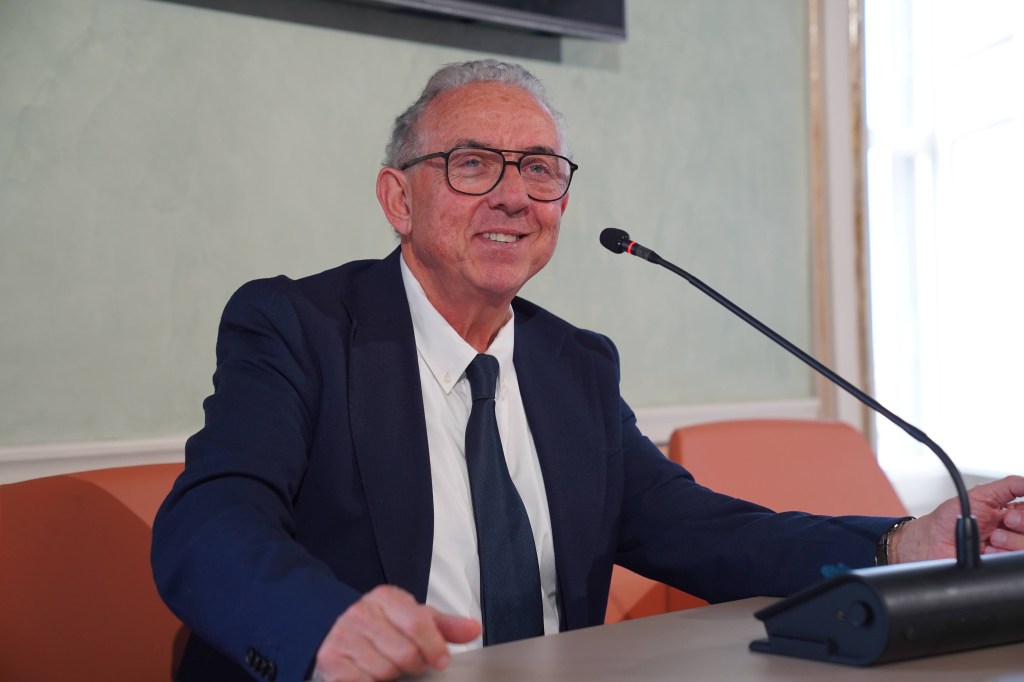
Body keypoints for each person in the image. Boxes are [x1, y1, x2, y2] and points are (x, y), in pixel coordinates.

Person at [151, 59, 1024, 682]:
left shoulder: (575, 366)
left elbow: (700, 531)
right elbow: (209, 523)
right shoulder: (297, 328)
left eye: (539, 169)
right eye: (471, 163)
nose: (513, 195)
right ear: (398, 199)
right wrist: (323, 629)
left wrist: (899, 544)